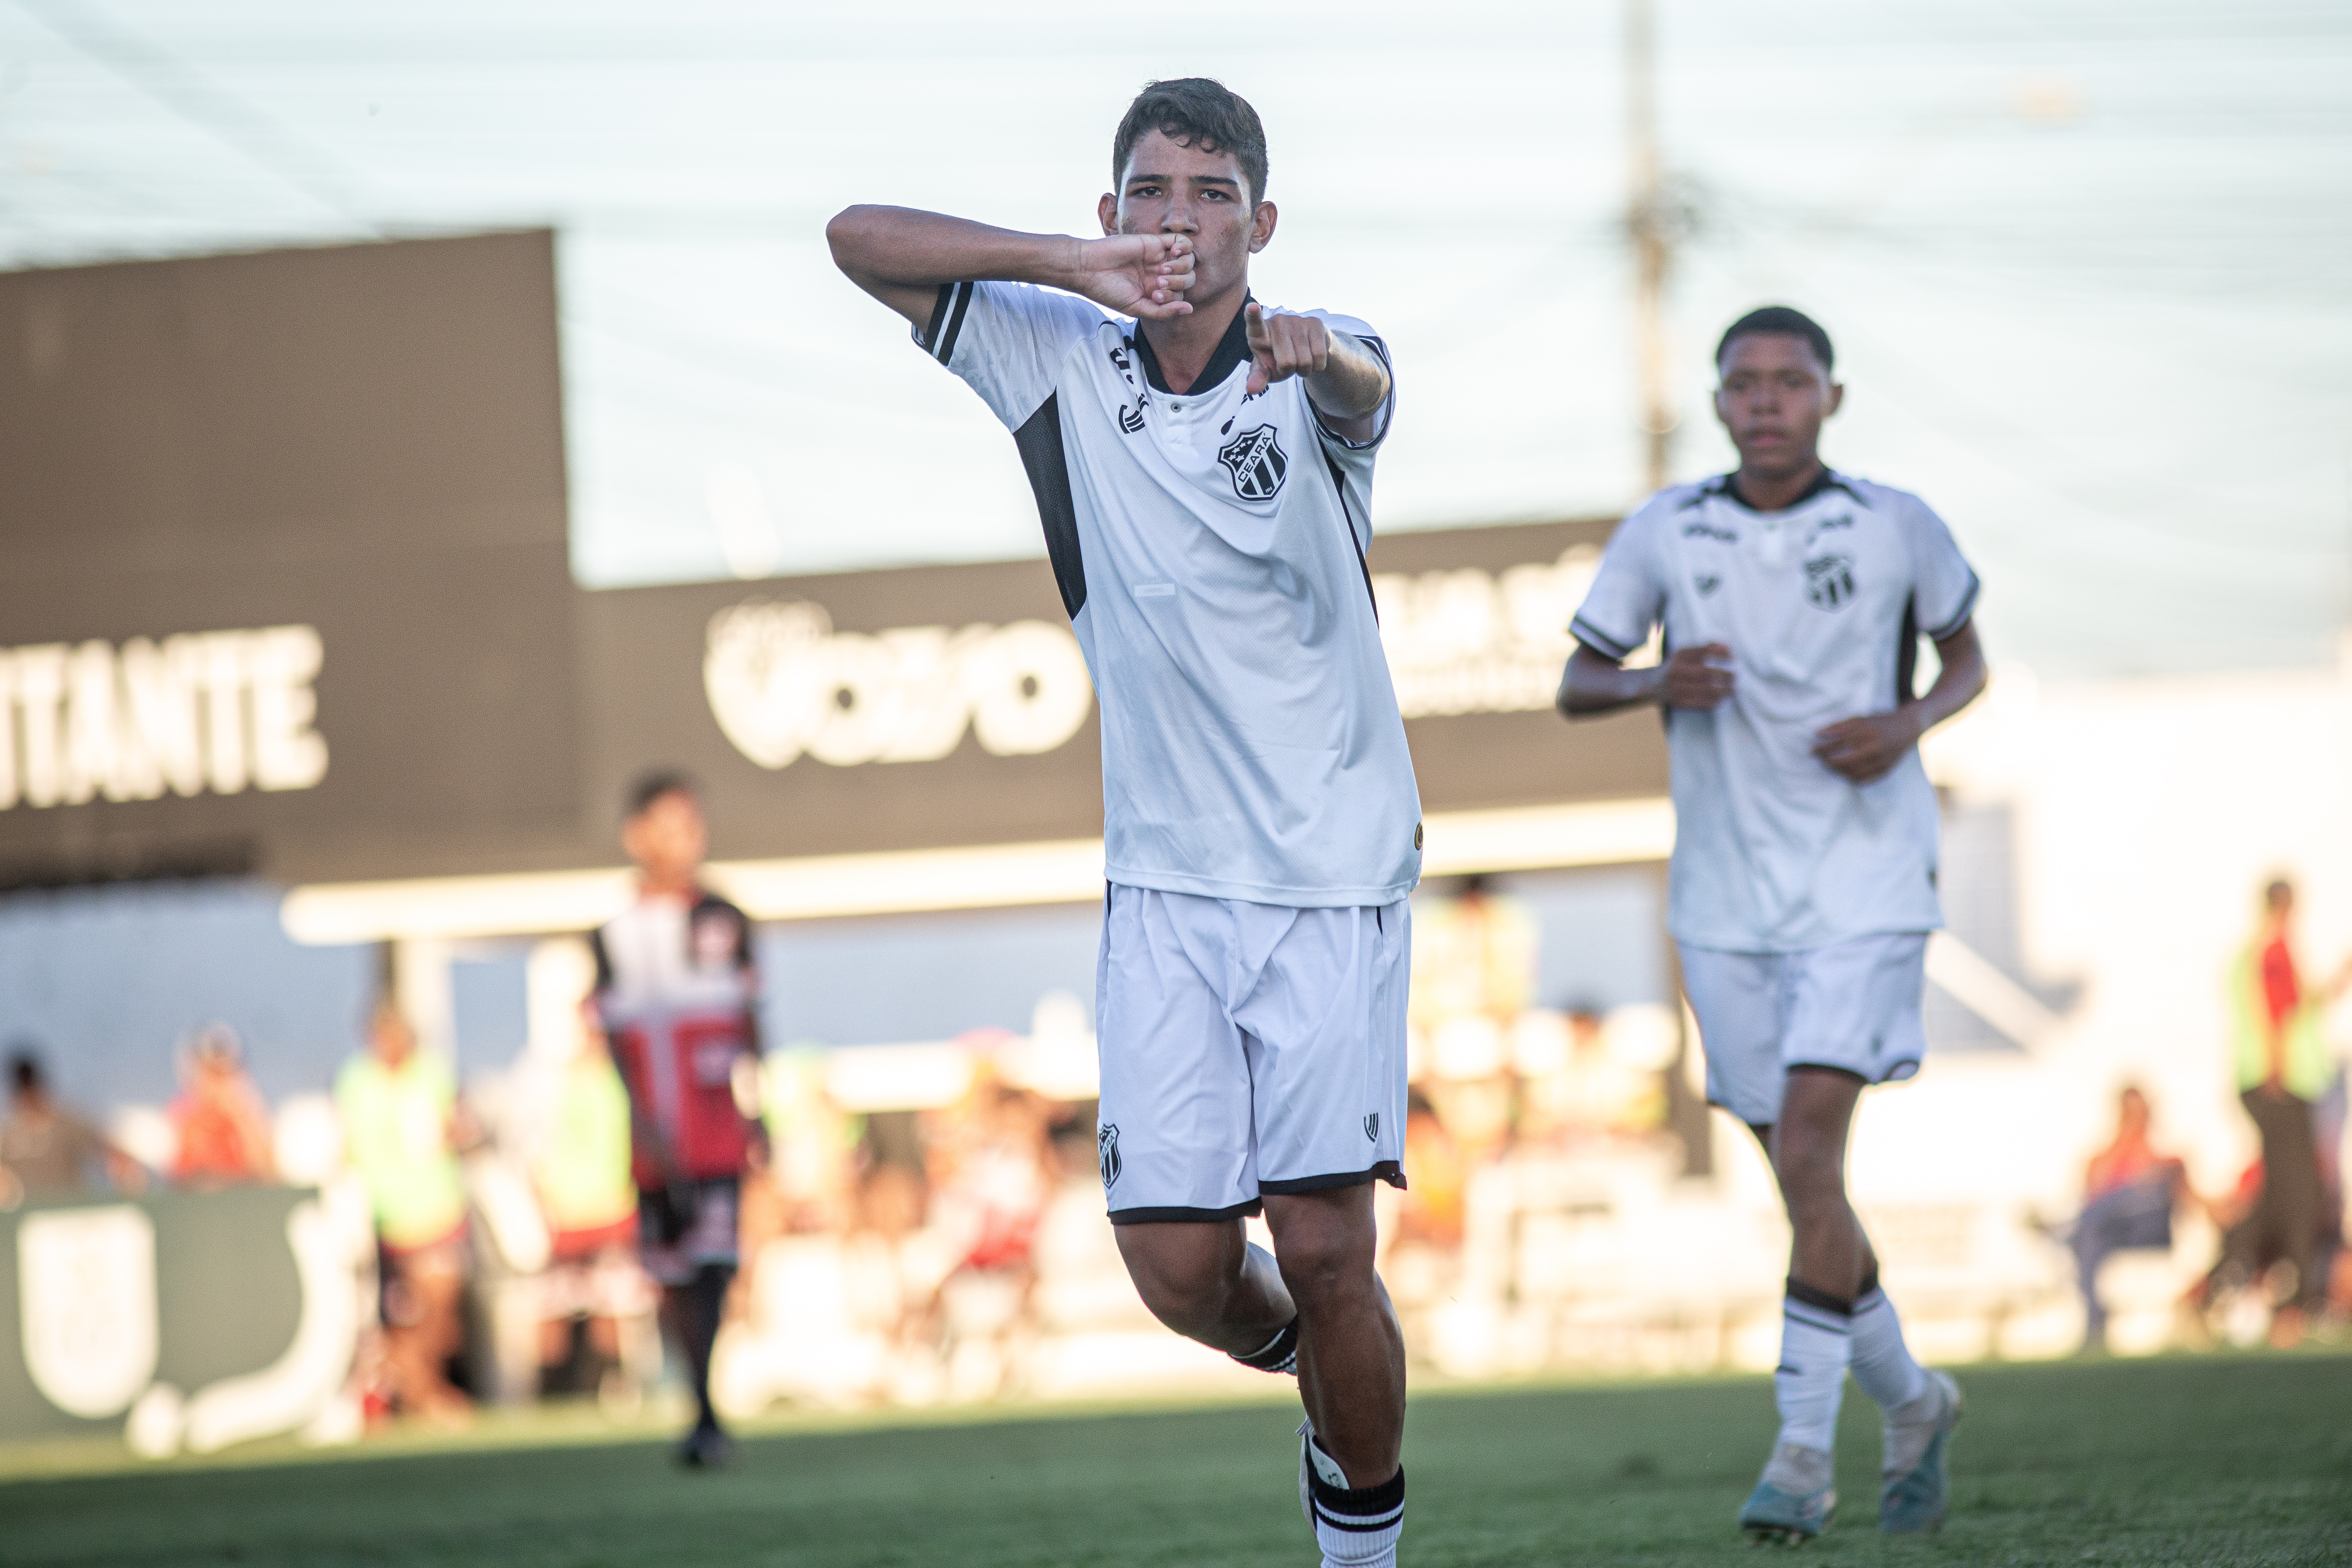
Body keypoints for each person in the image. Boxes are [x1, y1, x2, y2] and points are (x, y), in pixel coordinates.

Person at [830, 77, 1418, 1566]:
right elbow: (854, 236)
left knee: (1331, 1247)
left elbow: (1358, 385)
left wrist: (1321, 350)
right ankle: (1316, 1369)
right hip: (1161, 883)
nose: (1176, 222)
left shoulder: (1313, 362)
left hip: (1330, 876)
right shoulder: (1055, 350)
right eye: (1150, 194)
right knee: (1175, 1267)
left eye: (1210, 197)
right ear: (1113, 212)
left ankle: (1362, 1541)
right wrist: (1061, 264)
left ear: (1259, 225)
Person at [1557, 305, 1987, 1542]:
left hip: (1866, 884)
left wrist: (1905, 724)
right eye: (1743, 382)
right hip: (1725, 903)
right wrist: (1653, 680)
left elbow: (1968, 661)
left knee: (1807, 1151)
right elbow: (1579, 677)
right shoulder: (1666, 530)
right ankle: (1914, 1401)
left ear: (1829, 399)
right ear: (1718, 400)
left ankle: (1802, 1454)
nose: (1766, 401)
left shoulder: (1896, 522)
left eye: (1789, 382)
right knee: (1805, 1181)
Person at [590, 772, 766, 1469]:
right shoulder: (613, 932)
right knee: (671, 1269)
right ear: (638, 834)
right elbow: (612, 1038)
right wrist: (642, 1121)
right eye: (669, 824)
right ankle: (699, 1405)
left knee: (715, 1263)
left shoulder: (726, 917)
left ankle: (704, 1403)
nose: (685, 839)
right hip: (654, 1132)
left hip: (718, 1123)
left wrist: (763, 1111)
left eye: (692, 823)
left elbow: (754, 1015)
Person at [335, 1000, 475, 1426]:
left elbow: (462, 1124)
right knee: (393, 1315)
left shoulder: (433, 1073)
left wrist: (452, 1132)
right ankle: (422, 1392)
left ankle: (423, 1386)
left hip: (436, 1210)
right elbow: (346, 1144)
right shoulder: (356, 1080)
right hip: (382, 1217)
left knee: (440, 1311)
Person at [2226, 877, 2349, 1346]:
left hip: (2271, 1080)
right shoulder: (2271, 950)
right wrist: (2277, 1065)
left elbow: (2296, 1008)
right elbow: (2276, 1015)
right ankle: (2288, 1302)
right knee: (2301, 1196)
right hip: (2280, 1083)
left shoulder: (2254, 952)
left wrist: (2335, 983)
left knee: (2280, 1192)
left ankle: (2232, 1272)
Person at [2062, 1085, 2192, 1353]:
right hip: (2112, 1233)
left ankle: (2065, 1230)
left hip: (2149, 1230)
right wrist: (2123, 1151)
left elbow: (2187, 1199)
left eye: (2139, 1114)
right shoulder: (2103, 1156)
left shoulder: (2167, 1157)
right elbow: (2092, 1191)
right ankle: (2095, 1328)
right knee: (2090, 1241)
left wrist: (2143, 1180)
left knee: (2121, 1203)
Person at [0, 1047, 144, 1202]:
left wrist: (128, 1177)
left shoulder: (68, 1125)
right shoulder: (7, 1136)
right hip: (27, 1219)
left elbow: (114, 1155)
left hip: (71, 1214)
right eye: (23, 1087)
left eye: (31, 1085)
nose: (28, 1093)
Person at [168, 1025, 278, 1189]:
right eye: (211, 1071)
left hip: (242, 1194)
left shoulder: (247, 1107)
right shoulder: (184, 1113)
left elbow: (269, 1173)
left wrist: (241, 1115)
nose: (217, 1082)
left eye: (223, 1072)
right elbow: (177, 1176)